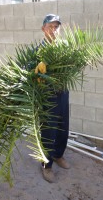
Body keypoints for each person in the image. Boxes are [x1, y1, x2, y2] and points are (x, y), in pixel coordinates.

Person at [39, 14, 70, 183]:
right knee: (48, 131)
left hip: (63, 94)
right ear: (43, 29)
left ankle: (59, 155)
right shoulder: (38, 50)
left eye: (56, 27)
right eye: (50, 26)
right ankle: (46, 165)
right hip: (47, 97)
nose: (54, 30)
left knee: (62, 126)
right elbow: (32, 74)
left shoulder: (64, 48)